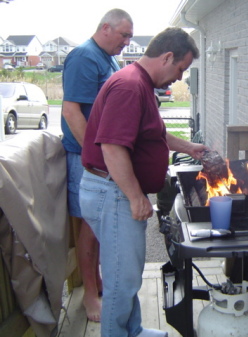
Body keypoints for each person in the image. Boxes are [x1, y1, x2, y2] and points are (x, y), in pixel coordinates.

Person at [79, 27, 207, 337]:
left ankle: (132, 331)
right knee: (121, 280)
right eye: (180, 68)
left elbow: (154, 135)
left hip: (115, 191)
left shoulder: (140, 84)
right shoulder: (129, 87)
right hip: (113, 193)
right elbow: (112, 147)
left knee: (127, 274)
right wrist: (137, 198)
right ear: (166, 57)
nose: (179, 77)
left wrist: (189, 148)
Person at [61, 8, 133, 322]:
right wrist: (97, 158)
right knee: (89, 227)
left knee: (102, 223)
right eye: (124, 35)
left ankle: (99, 280)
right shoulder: (84, 57)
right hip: (85, 159)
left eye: (130, 37)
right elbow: (71, 112)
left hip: (104, 158)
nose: (127, 43)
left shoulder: (110, 59)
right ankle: (89, 295)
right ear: (105, 28)